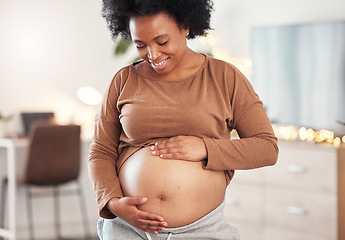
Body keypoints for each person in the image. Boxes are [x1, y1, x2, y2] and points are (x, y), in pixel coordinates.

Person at [88, 0, 279, 239]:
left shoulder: (225, 77)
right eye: (141, 45)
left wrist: (204, 148)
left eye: (162, 41)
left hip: (203, 231)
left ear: (185, 26)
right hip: (129, 229)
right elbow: (101, 150)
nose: (153, 54)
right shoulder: (123, 80)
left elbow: (267, 148)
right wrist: (113, 203)